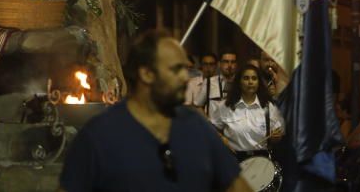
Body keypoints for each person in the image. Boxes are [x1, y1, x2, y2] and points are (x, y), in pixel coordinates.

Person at [58, 30, 250, 192]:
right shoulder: (98, 136)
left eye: (186, 68)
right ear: (147, 74)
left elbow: (238, 187)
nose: (186, 77)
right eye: (176, 70)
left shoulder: (198, 127)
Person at [210, 64, 284, 160]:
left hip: (261, 160)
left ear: (258, 82)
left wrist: (276, 137)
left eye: (254, 78)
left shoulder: (269, 107)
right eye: (246, 78)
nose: (250, 82)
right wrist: (221, 138)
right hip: (233, 159)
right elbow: (211, 128)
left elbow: (277, 135)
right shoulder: (226, 106)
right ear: (239, 82)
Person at [190, 48, 237, 116]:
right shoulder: (209, 82)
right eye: (226, 61)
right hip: (213, 125)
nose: (229, 65)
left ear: (236, 64)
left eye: (233, 62)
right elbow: (197, 106)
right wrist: (207, 121)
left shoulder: (241, 83)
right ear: (219, 64)